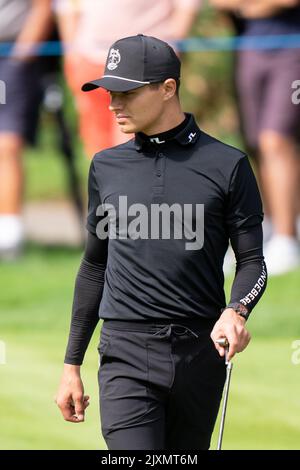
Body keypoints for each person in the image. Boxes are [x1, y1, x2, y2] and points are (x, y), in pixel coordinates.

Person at [55, 34, 267, 450]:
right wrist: (71, 364)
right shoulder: (105, 167)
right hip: (125, 354)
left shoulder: (228, 166)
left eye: (126, 93)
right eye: (109, 92)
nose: (113, 103)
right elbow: (95, 265)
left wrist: (237, 310)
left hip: (201, 354)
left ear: (168, 88)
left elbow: (252, 261)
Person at [210, 0, 300, 275]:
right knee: (255, 144)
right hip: (250, 47)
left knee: (276, 140)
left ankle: (286, 240)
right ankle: (267, 229)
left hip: (293, 48)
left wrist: (258, 5)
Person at [54, 0, 202, 157]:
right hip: (90, 57)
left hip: (145, 62)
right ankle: (109, 180)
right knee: (96, 141)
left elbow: (186, 5)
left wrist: (172, 45)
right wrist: (72, 53)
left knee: (134, 139)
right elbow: (68, 6)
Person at [0, 0, 53, 259]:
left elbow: (42, 7)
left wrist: (20, 57)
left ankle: (9, 236)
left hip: (10, 59)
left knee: (6, 144)